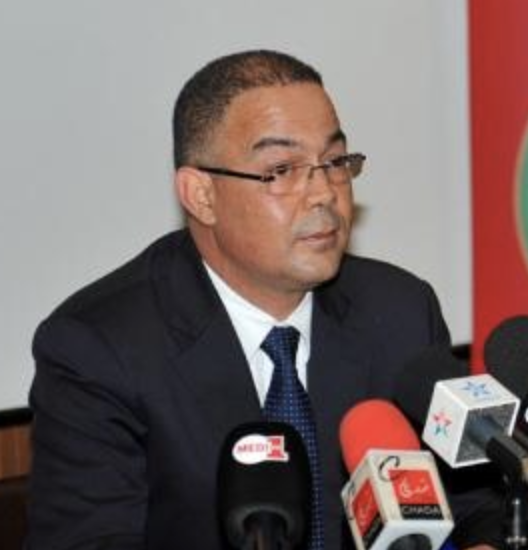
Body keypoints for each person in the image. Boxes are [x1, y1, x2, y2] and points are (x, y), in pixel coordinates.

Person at [27, 50, 504, 550]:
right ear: (201, 195)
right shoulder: (98, 348)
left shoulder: (400, 311)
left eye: (335, 162)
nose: (324, 193)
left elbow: (478, 507)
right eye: (281, 169)